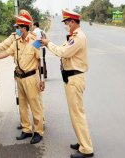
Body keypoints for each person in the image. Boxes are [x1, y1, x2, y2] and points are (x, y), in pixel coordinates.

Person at [0, 15, 45, 144]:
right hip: (20, 78)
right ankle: (26, 129)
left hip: (31, 78)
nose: (16, 30)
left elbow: (41, 61)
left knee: (35, 106)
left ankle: (38, 132)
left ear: (23, 28)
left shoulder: (34, 41)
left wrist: (42, 79)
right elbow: (6, 52)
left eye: (18, 27)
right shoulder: (16, 42)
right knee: (22, 106)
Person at [41, 9, 94, 158]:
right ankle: (81, 141)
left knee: (77, 114)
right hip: (70, 78)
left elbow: (62, 52)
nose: (65, 25)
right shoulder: (72, 37)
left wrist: (48, 43)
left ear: (72, 22)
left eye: (66, 23)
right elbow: (63, 49)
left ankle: (86, 148)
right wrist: (49, 43)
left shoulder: (78, 37)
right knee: (75, 114)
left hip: (74, 78)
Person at [0, 10, 32, 131]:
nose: (17, 26)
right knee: (21, 101)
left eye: (19, 24)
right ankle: (25, 123)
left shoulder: (33, 38)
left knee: (35, 101)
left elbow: (39, 59)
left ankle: (40, 122)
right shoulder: (15, 37)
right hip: (20, 74)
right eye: (16, 24)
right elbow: (4, 48)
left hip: (31, 75)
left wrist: (41, 79)